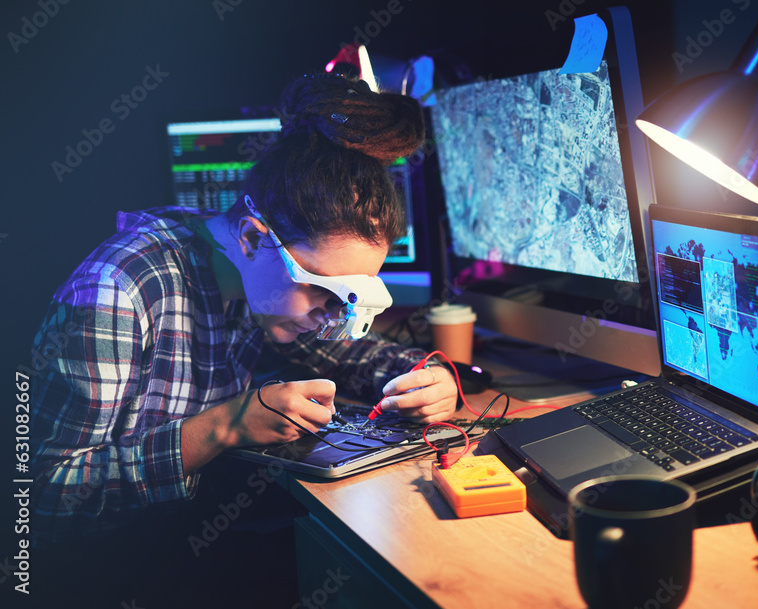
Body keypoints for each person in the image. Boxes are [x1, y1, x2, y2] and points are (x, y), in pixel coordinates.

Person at [29, 74, 458, 607]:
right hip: (102, 575)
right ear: (256, 237)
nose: (333, 316)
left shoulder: (256, 282)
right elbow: (43, 501)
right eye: (325, 291)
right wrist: (224, 427)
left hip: (189, 539)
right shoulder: (117, 291)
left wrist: (429, 380)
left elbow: (349, 355)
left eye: (354, 297)